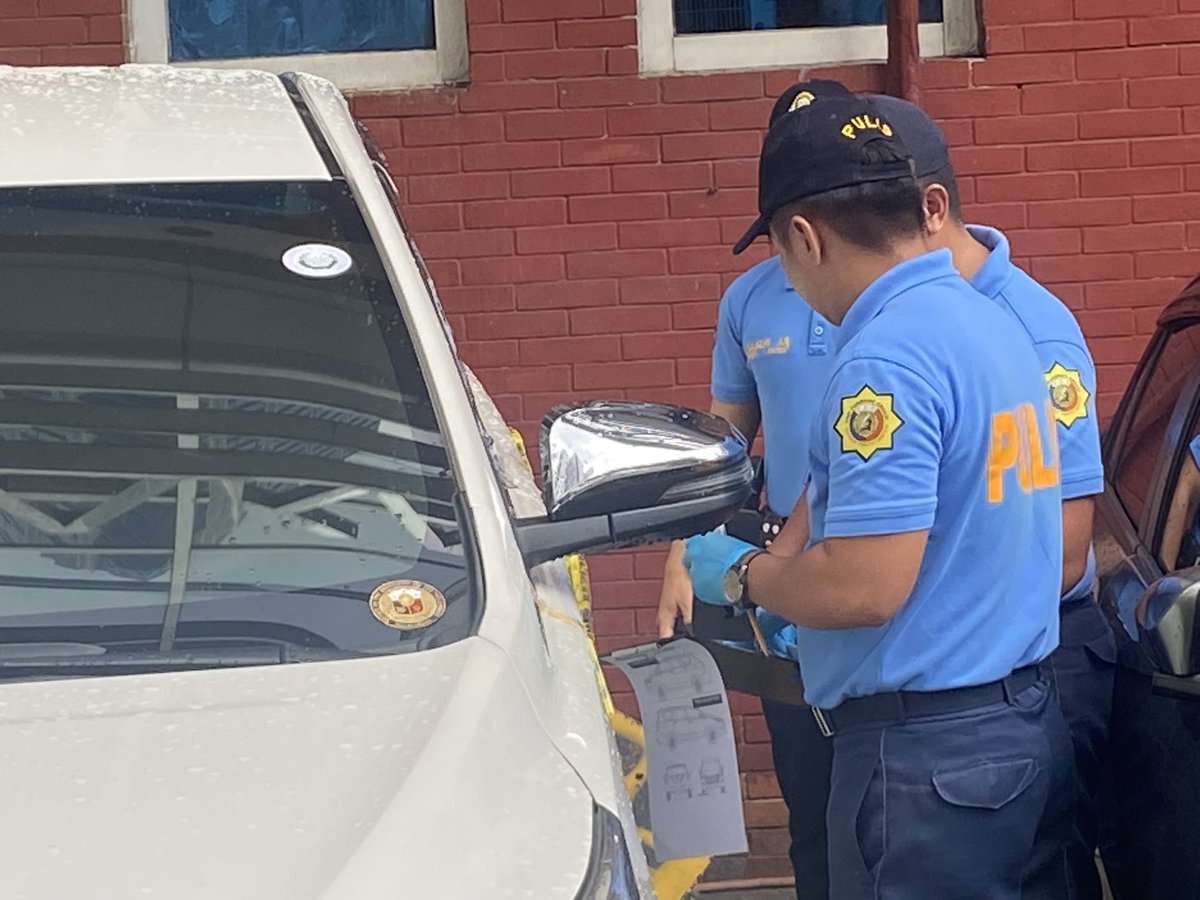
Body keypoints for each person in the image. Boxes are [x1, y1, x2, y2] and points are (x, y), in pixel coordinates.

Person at [682, 90, 1075, 898]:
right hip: (1019, 724)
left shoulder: (883, 359)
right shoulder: (994, 320)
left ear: (802, 236)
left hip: (926, 763)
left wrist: (742, 575)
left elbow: (864, 587)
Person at [864, 95, 1111, 900]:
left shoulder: (1029, 329)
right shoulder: (911, 323)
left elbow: (1069, 548)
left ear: (933, 211)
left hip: (1015, 679)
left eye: (876, 228)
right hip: (963, 694)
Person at [654, 82, 856, 900]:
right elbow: (726, 440)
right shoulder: (750, 295)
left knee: (896, 823)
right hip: (791, 593)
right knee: (812, 817)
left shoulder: (896, 282)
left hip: (888, 571)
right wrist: (683, 549)